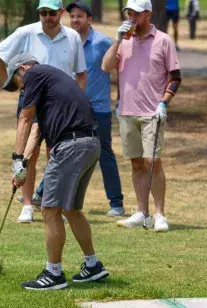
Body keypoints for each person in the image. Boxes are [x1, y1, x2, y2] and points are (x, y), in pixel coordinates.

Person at [5, 53, 109, 290]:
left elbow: (24, 117)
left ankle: (54, 274)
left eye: (17, 83)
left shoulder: (34, 74)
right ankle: (93, 266)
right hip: (89, 143)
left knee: (50, 209)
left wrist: (16, 160)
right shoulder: (50, 83)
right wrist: (22, 168)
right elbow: (36, 130)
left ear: (22, 69)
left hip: (71, 145)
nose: (20, 89)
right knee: (71, 209)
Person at [0, 0, 87, 223]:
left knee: (57, 154)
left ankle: (54, 204)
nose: (46, 17)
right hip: (31, 101)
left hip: (61, 107)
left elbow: (81, 74)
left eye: (51, 13)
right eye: (43, 12)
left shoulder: (72, 37)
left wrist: (77, 101)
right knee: (28, 154)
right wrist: (14, 87)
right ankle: (27, 205)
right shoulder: (26, 32)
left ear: (61, 13)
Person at [101, 0, 182, 232]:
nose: (132, 18)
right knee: (136, 163)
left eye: (136, 13)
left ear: (148, 14)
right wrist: (117, 40)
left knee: (152, 162)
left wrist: (163, 103)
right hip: (127, 112)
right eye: (129, 13)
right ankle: (141, 213)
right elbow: (106, 67)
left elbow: (175, 77)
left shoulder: (163, 40)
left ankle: (159, 214)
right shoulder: (123, 41)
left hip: (152, 113)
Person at [65, 1, 125, 217]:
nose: (74, 20)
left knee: (104, 154)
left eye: (79, 16)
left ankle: (116, 203)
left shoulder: (102, 42)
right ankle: (48, 196)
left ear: (89, 19)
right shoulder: (67, 41)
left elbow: (119, 69)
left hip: (98, 109)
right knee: (68, 152)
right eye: (72, 16)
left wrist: (120, 98)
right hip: (72, 108)